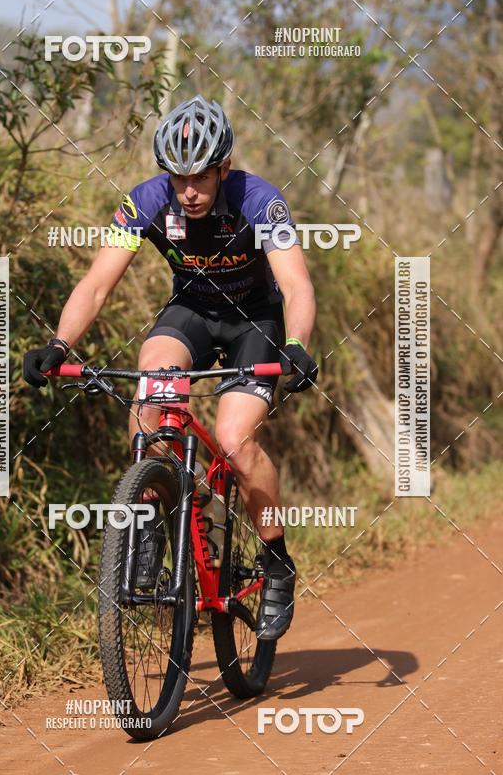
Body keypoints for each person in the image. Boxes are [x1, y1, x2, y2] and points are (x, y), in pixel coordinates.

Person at [23, 94, 318, 640]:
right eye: (178, 178)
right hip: (191, 314)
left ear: (224, 169)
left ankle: (276, 558)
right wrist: (59, 345)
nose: (189, 191)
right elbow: (96, 284)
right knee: (149, 408)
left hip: (254, 319)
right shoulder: (144, 202)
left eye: (201, 179)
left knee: (232, 438)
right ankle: (163, 515)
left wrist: (296, 344)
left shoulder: (260, 200)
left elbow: (297, 284)